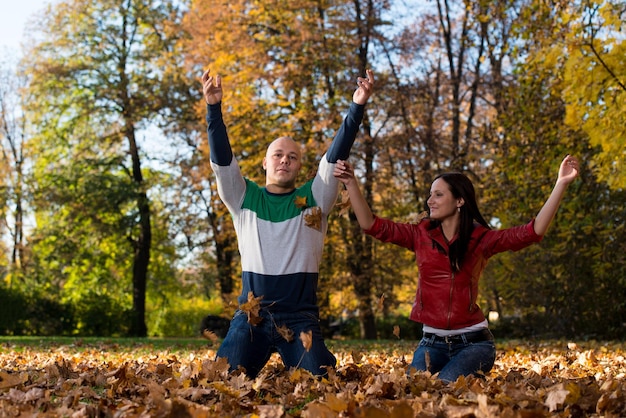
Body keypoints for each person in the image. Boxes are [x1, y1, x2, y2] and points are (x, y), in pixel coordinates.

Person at [333, 155, 579, 382]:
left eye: (438, 195)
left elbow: (532, 232)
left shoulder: (482, 239)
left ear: (460, 200)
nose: (430, 200)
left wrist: (561, 183)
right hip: (431, 343)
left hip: (474, 344)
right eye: (430, 194)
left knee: (446, 386)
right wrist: (351, 182)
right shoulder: (420, 234)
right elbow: (372, 225)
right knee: (413, 388)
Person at [201, 68, 375, 378]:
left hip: (299, 319)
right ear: (265, 163)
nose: (285, 160)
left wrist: (357, 106)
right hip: (251, 318)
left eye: (292, 157)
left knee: (321, 381)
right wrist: (213, 109)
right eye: (278, 155)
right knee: (221, 381)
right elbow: (222, 162)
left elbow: (335, 155)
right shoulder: (243, 197)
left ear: (299, 166)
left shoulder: (315, 197)